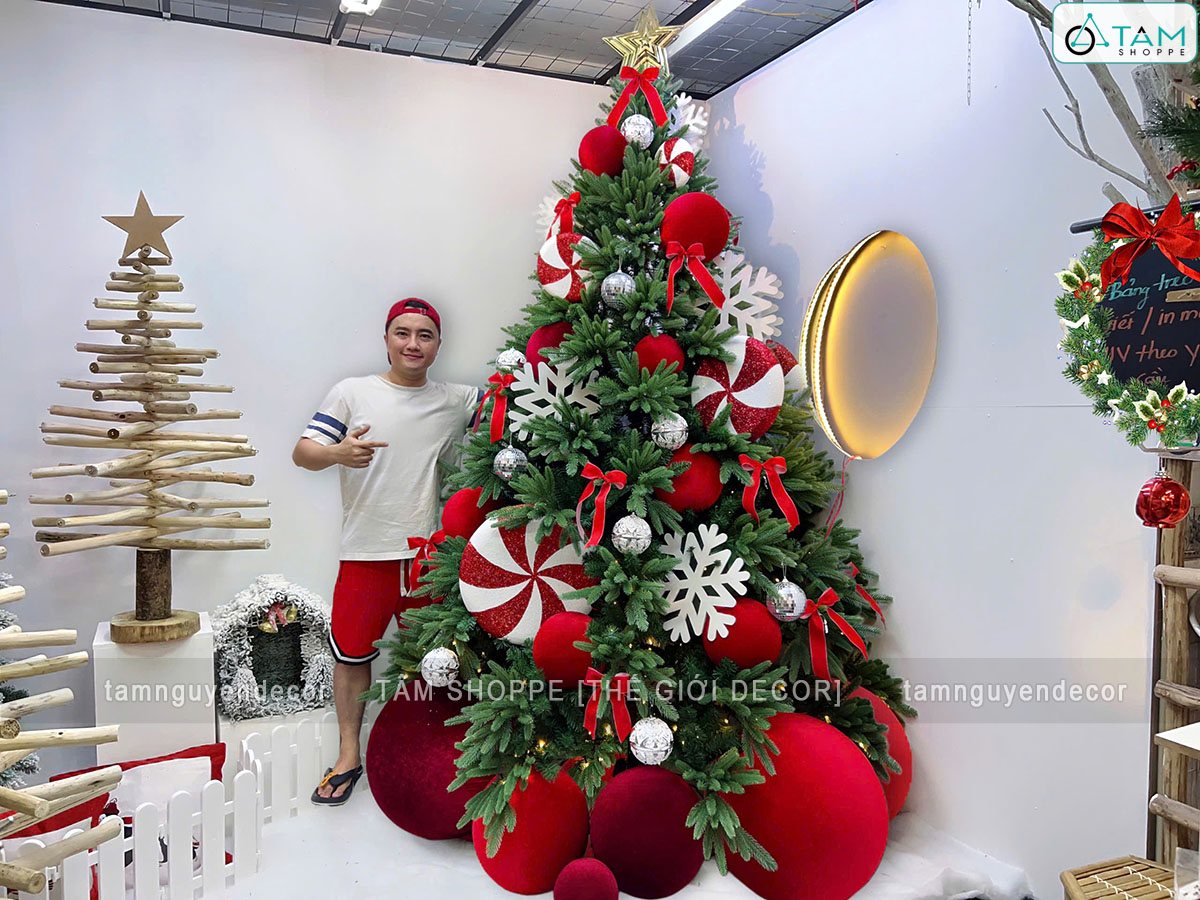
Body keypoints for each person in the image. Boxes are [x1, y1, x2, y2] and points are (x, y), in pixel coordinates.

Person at [293, 297, 480, 805]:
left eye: (425, 335)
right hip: (365, 553)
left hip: (430, 557)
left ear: (438, 345)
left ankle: (434, 758)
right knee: (352, 655)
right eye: (403, 333)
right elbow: (303, 453)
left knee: (439, 661)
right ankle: (348, 755)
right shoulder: (352, 392)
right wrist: (336, 452)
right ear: (387, 340)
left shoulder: (459, 400)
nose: (413, 343)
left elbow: (516, 400)